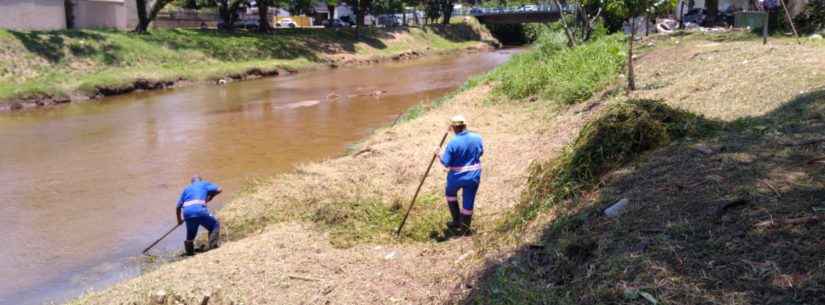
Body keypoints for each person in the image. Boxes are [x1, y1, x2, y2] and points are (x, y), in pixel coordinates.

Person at [436, 115, 483, 235]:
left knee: (450, 194)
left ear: (453, 128)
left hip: (456, 177)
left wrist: (439, 154)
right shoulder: (477, 138)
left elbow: (446, 162)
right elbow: (480, 152)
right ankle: (465, 229)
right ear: (465, 125)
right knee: (468, 201)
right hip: (473, 176)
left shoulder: (452, 143)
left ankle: (456, 221)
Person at [176, 175, 222, 255]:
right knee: (215, 225)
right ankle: (212, 247)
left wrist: (179, 220)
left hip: (187, 213)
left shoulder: (186, 188)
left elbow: (178, 207)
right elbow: (219, 189)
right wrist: (210, 197)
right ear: (200, 180)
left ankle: (189, 253)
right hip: (200, 210)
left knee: (190, 236)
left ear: (192, 182)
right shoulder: (204, 184)